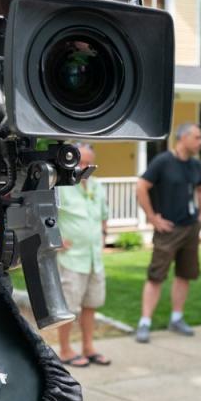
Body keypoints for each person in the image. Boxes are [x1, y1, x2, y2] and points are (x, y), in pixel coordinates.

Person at [134, 123, 201, 344]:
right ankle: (144, 323)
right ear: (183, 138)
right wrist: (152, 217)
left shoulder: (195, 165)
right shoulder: (163, 162)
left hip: (190, 228)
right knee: (156, 276)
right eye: (197, 137)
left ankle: (177, 318)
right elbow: (141, 186)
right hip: (168, 230)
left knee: (185, 274)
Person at [56, 143, 111, 367]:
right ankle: (66, 350)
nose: (84, 167)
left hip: (94, 259)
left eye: (89, 163)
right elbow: (40, 215)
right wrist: (54, 240)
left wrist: (104, 236)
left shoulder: (97, 186)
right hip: (70, 259)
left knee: (91, 304)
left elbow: (103, 215)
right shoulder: (60, 186)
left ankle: (89, 348)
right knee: (68, 308)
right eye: (80, 162)